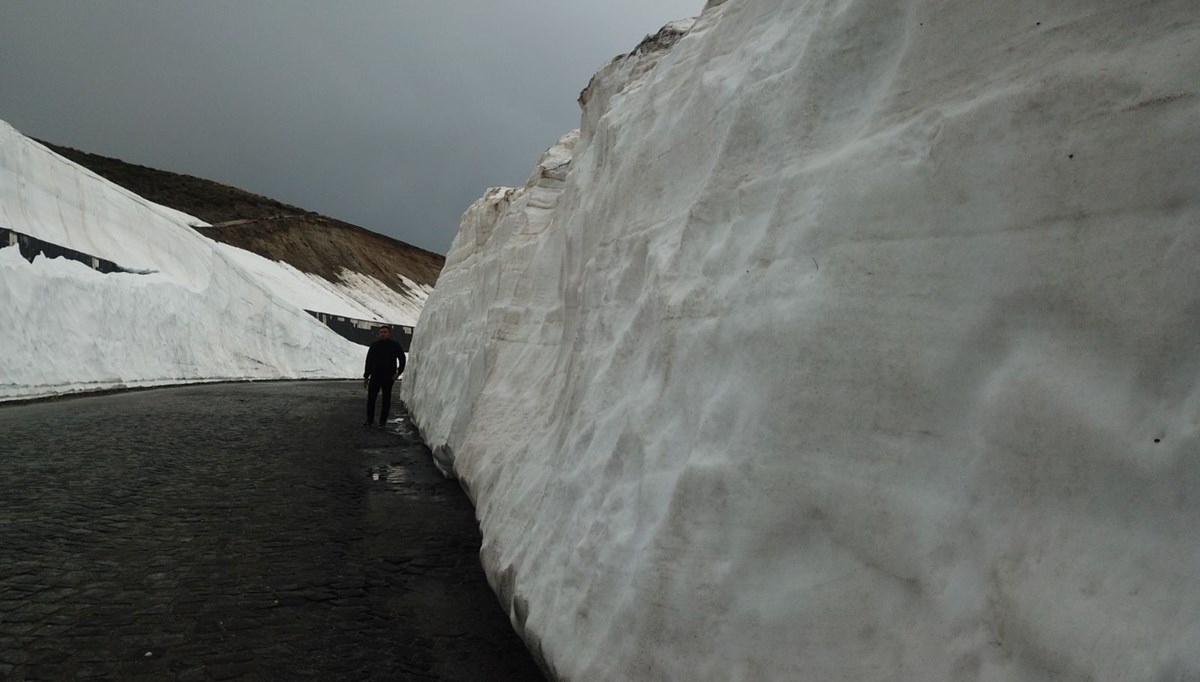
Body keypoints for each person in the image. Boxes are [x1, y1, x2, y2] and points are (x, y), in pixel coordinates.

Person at [363, 325, 405, 426]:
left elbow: (402, 358)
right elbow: (369, 361)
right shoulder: (374, 345)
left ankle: (382, 422)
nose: (383, 334)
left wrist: (398, 372)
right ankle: (369, 420)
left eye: (385, 332)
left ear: (389, 333)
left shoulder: (395, 345)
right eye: (381, 332)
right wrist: (366, 376)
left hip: (388, 377)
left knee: (386, 400)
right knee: (371, 399)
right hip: (375, 376)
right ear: (379, 334)